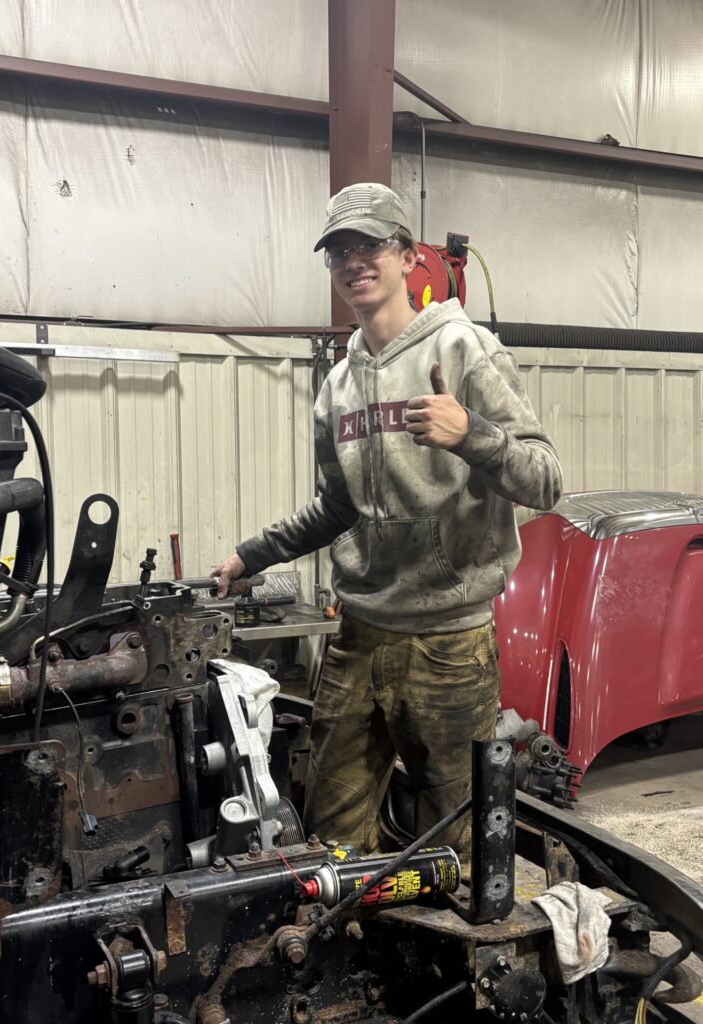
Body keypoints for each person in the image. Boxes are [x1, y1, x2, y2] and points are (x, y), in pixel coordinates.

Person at [213, 182, 562, 857]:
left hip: (449, 644)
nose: (355, 262)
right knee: (329, 842)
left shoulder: (462, 349)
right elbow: (338, 508)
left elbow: (545, 479)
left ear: (407, 256)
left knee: (452, 845)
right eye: (339, 250)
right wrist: (250, 555)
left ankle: (447, 961)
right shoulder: (338, 385)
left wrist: (470, 435)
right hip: (360, 635)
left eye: (371, 245)